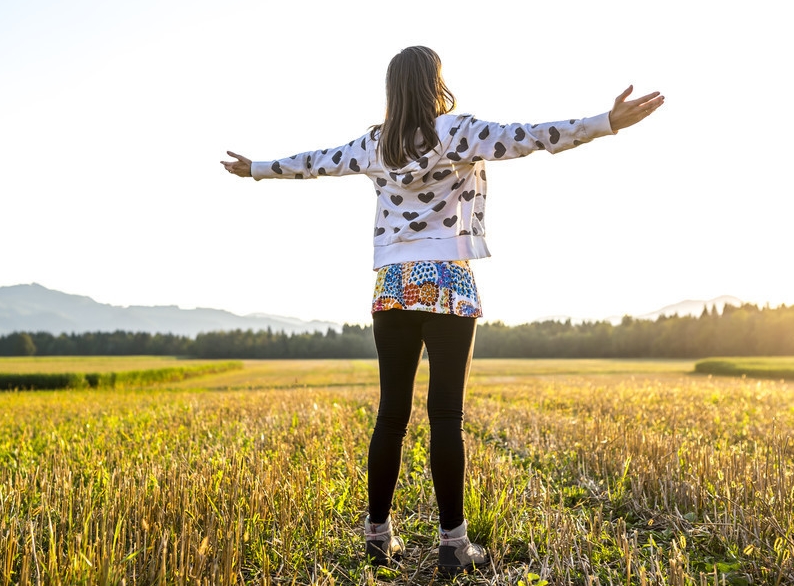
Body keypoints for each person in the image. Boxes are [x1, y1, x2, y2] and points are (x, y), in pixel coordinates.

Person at [221, 45, 663, 574]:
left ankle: (377, 536)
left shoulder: (374, 145)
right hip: (448, 280)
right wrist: (605, 122)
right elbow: (534, 137)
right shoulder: (456, 132)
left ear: (392, 89)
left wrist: (258, 169)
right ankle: (454, 545)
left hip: (394, 284)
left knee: (390, 416)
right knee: (445, 417)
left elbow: (316, 163)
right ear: (436, 82)